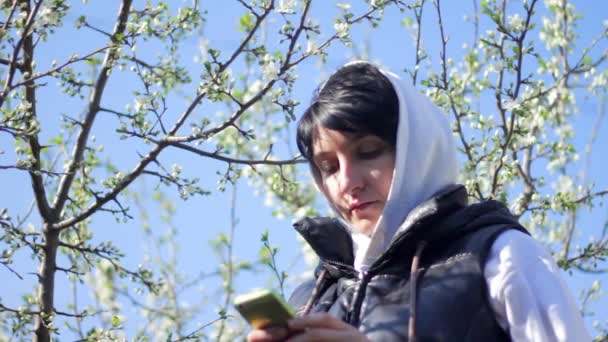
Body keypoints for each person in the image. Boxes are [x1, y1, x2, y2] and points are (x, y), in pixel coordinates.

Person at [247, 61, 590, 341]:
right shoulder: (312, 298)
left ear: (417, 148)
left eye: (368, 153)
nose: (347, 182)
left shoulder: (499, 256)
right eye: (329, 167)